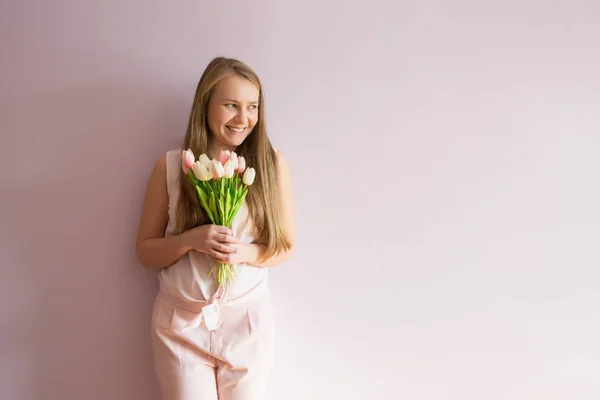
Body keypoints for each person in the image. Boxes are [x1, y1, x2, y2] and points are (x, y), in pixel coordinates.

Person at [135, 57, 295, 400]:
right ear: (205, 104)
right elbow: (145, 251)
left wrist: (245, 252)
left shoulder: (270, 165)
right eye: (231, 105)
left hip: (246, 324)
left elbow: (285, 245)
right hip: (181, 326)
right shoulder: (172, 167)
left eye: (252, 107)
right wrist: (191, 240)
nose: (243, 118)